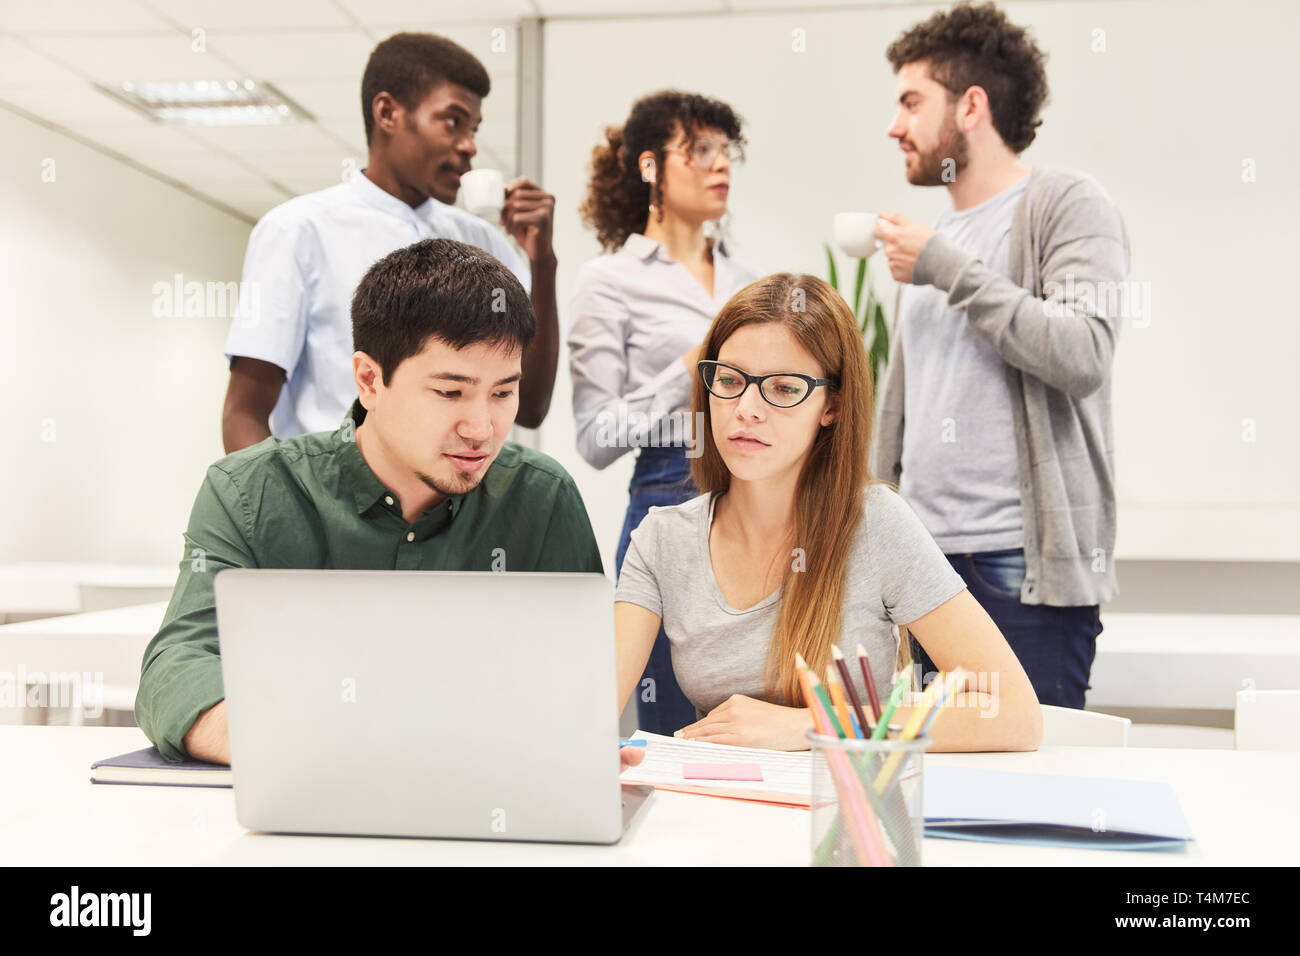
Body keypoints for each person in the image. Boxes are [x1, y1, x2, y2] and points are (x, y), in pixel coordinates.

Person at [138, 239, 604, 765]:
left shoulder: (541, 498)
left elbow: (580, 679)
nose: (481, 429)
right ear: (369, 380)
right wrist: (310, 741)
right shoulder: (251, 491)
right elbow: (176, 669)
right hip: (304, 791)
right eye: (450, 393)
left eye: (502, 394)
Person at [613, 274, 1042, 752]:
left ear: (831, 406)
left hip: (850, 812)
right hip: (727, 815)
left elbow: (1014, 713)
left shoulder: (876, 523)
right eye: (730, 381)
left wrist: (810, 726)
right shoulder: (661, 539)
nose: (746, 409)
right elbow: (589, 711)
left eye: (782, 388)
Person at [870, 2, 1130, 708]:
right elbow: (900, 412)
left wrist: (947, 266)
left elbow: (1082, 352)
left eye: (911, 102)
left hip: (1019, 571)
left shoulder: (1066, 203)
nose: (895, 126)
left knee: (1026, 799)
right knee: (936, 797)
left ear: (972, 106)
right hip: (924, 569)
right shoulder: (932, 245)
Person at [222, 32, 560, 451]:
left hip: (461, 506)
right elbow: (244, 413)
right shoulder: (297, 230)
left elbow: (530, 409)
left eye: (473, 128)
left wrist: (543, 264)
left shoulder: (482, 241)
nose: (470, 145)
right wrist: (286, 514)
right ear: (387, 113)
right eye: (452, 121)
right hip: (334, 500)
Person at [569, 90, 758, 736]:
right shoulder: (608, 281)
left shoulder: (749, 283)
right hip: (667, 502)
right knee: (670, 733)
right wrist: (690, 369)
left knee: (760, 719)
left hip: (764, 504)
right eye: (699, 150)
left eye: (725, 151)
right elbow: (596, 437)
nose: (720, 165)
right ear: (648, 166)